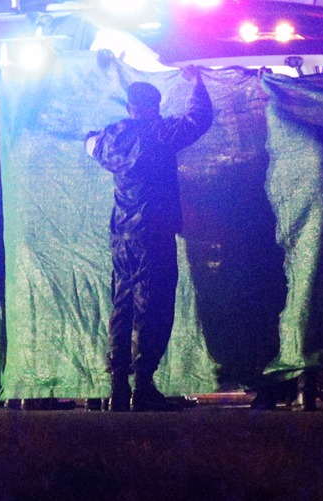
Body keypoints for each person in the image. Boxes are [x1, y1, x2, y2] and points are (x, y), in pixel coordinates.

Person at [86, 73, 215, 411]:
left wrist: (91, 139)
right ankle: (143, 385)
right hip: (154, 233)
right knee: (153, 307)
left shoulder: (111, 137)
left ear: (129, 107)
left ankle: (117, 388)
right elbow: (199, 119)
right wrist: (197, 82)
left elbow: (89, 142)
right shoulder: (160, 132)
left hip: (122, 236)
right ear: (154, 107)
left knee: (123, 306)